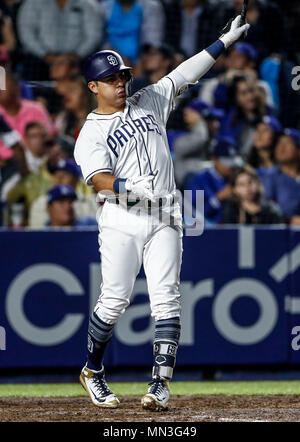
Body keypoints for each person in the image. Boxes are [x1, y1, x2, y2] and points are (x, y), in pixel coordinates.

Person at [74, 15, 249, 410]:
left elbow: (185, 72)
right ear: (93, 87)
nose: (121, 83)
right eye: (111, 79)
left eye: (122, 76)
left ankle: (159, 385)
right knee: (115, 299)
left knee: (167, 299)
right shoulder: (91, 133)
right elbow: (99, 179)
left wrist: (225, 41)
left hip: (167, 214)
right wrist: (129, 190)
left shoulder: (150, 100)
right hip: (123, 219)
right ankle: (92, 370)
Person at [17, 0, 102, 80]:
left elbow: (94, 35)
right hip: (39, 60)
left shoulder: (88, 4)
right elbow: (26, 33)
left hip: (78, 60)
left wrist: (75, 56)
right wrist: (45, 55)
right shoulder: (32, 3)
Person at [184, 136, 243, 224]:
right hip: (208, 232)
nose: (231, 167)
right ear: (214, 160)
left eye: (232, 162)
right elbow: (192, 214)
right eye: (226, 162)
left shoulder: (238, 177)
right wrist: (218, 198)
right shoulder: (199, 180)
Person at [29, 158, 97, 228]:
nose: (59, 179)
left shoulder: (89, 201)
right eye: (56, 175)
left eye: (64, 175)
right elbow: (37, 232)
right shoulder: (41, 202)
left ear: (75, 180)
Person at [261, 128, 300, 221]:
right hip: (283, 231)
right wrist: (288, 221)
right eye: (279, 143)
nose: (281, 148)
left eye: (287, 143)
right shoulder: (270, 177)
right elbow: (266, 209)